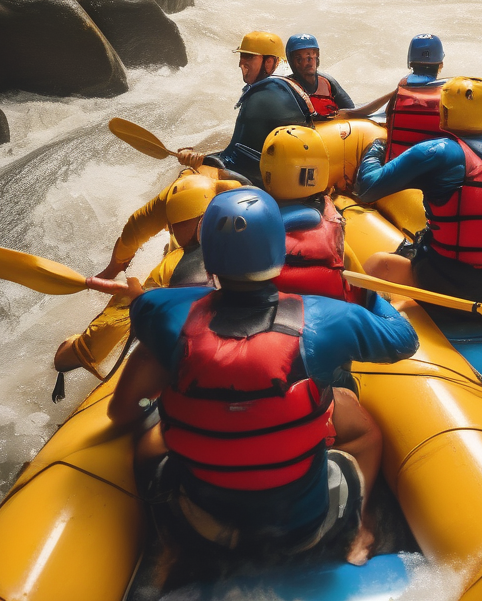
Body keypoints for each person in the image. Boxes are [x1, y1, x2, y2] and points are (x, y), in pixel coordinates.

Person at [108, 188, 419, 566]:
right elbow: (404, 340)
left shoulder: (161, 312)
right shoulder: (325, 317)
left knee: (154, 399)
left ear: (207, 255)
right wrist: (366, 295)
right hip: (303, 529)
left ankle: (168, 547)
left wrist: (140, 298)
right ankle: (361, 526)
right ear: (277, 247)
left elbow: (143, 322)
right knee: (356, 419)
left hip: (203, 524)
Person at [354, 76, 482, 307]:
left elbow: (368, 188)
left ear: (444, 111)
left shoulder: (438, 151)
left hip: (447, 283)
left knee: (378, 265)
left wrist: (375, 148)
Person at [53, 172, 239, 378]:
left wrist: (135, 296)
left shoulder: (173, 266)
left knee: (126, 303)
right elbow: (134, 230)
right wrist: (113, 268)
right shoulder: (179, 202)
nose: (171, 227)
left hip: (187, 318)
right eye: (172, 223)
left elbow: (74, 357)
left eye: (177, 224)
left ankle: (78, 350)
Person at [176, 31, 313, 184]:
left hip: (261, 181)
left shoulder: (261, 96)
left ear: (269, 62)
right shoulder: (290, 85)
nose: (241, 63)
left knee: (187, 176)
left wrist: (200, 159)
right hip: (291, 175)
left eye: (249, 57)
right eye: (242, 56)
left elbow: (235, 158)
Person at [260, 124, 363, 303]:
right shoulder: (330, 216)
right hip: (333, 302)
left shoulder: (256, 222)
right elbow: (347, 260)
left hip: (283, 311)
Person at [285, 34, 392, 122]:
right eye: (299, 59)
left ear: (317, 58)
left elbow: (351, 111)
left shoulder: (327, 82)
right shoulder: (287, 87)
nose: (308, 62)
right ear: (292, 62)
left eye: (311, 57)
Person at [383, 33, 447, 163]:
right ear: (440, 64)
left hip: (396, 160)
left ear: (410, 62)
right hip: (433, 162)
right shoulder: (446, 91)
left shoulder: (403, 86)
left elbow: (388, 114)